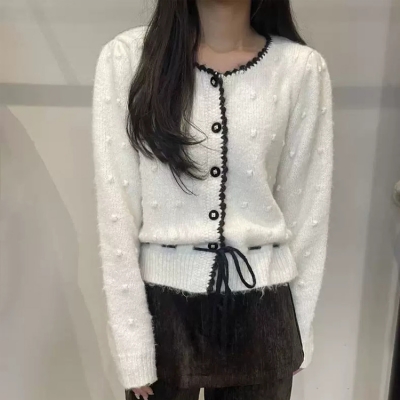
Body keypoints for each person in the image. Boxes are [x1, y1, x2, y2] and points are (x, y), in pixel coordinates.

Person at [91, 0, 333, 399]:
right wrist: (133, 348)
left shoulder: (301, 69)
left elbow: (308, 212)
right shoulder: (127, 60)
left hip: (263, 312)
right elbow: (116, 217)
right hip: (163, 313)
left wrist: (300, 329)